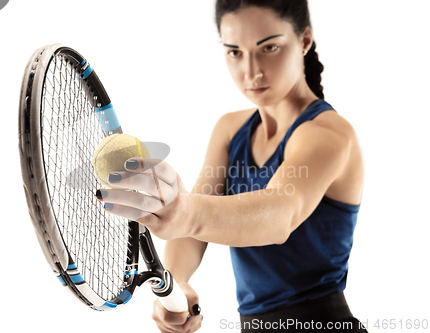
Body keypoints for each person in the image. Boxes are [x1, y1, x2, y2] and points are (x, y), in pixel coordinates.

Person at [95, 0, 367, 331]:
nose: (251, 71)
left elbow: (281, 214)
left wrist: (189, 214)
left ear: (305, 41)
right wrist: (177, 282)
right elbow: (192, 225)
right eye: (235, 51)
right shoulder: (230, 130)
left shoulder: (328, 134)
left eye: (269, 47)